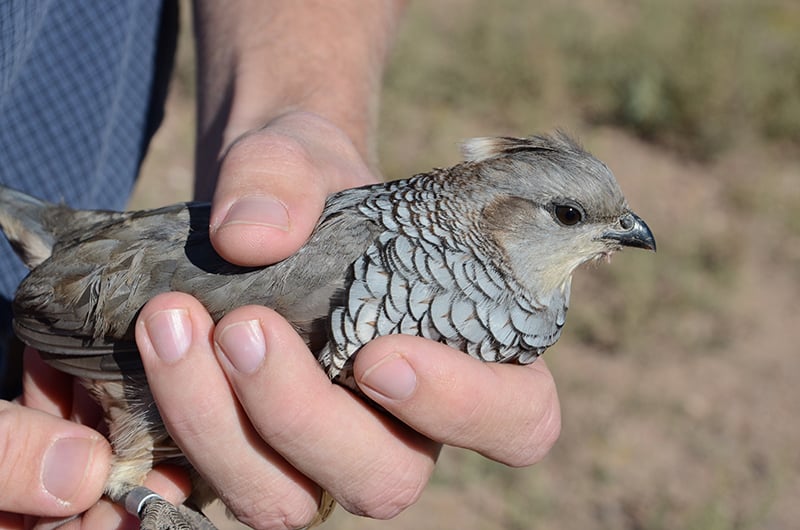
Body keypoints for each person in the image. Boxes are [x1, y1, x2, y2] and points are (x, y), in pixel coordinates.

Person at [0, 2, 562, 529]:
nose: (625, 231)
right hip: (74, 309)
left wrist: (303, 113)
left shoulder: (411, 279)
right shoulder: (347, 283)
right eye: (567, 215)